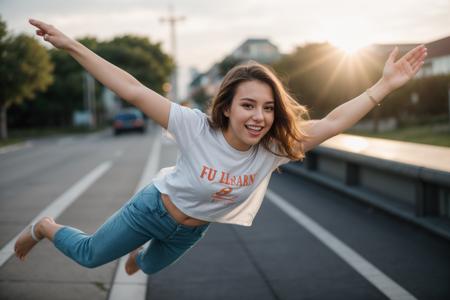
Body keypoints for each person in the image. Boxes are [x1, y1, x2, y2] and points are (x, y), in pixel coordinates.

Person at [15, 18, 427, 275]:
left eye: (268, 108)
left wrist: (385, 84)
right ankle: (46, 227)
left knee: (148, 266)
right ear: (227, 107)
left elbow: (334, 121)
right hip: (152, 210)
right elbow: (132, 88)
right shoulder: (196, 128)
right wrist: (71, 46)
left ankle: (140, 257)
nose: (259, 117)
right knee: (89, 257)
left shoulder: (275, 146)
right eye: (248, 105)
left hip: (188, 233)